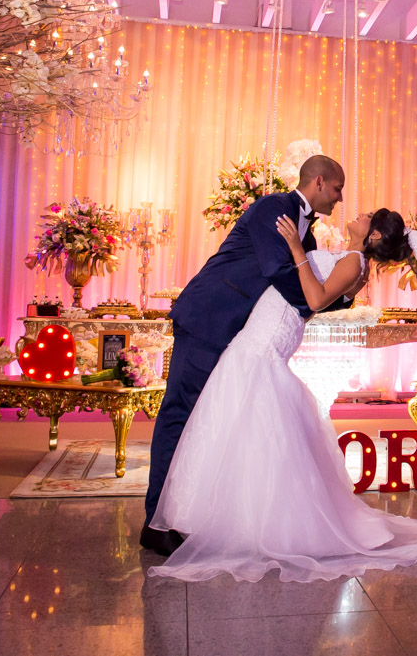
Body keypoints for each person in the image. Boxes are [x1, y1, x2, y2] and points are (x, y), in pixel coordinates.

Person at [146, 209, 417, 582]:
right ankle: (233, 515)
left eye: (368, 217)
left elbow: (315, 300)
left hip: (267, 338)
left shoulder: (354, 262)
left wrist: (297, 250)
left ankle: (249, 523)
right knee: (242, 423)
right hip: (264, 331)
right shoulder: (351, 259)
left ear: (375, 235)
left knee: (244, 413)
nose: (358, 213)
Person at [141, 155, 360, 557]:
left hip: (240, 332)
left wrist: (343, 289)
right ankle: (155, 522)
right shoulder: (274, 209)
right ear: (318, 181)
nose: (340, 197)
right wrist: (320, 295)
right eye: (337, 188)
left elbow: (308, 291)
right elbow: (281, 272)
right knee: (180, 413)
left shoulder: (306, 238)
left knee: (210, 421)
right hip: (210, 318)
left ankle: (195, 515)